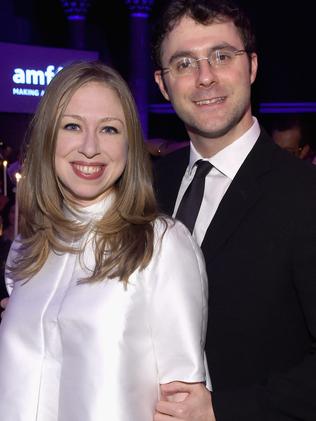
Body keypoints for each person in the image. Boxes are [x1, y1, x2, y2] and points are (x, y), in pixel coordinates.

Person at [0, 60, 209, 420]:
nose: (90, 147)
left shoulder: (161, 245)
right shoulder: (26, 249)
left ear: (129, 144)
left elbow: (184, 404)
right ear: (48, 136)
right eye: (72, 126)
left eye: (110, 129)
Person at [152, 1, 316, 420]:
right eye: (185, 63)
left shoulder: (304, 194)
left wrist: (222, 411)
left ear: (253, 67)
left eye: (222, 56)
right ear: (163, 84)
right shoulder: (147, 186)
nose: (205, 77)